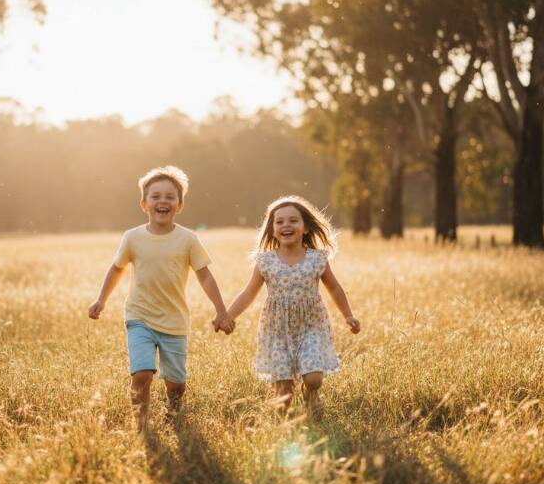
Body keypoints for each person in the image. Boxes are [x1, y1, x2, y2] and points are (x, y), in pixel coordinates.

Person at [88, 165, 234, 431]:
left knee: (175, 384)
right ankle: (141, 427)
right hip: (139, 317)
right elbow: (117, 268)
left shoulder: (188, 239)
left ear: (179, 205)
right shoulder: (132, 237)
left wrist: (221, 311)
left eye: (169, 196)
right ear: (144, 204)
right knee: (142, 374)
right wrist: (101, 300)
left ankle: (173, 410)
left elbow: (205, 276)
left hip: (175, 322)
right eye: (155, 196)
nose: (162, 201)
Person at [226, 195, 360, 419]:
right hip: (277, 331)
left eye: (293, 220)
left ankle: (311, 395)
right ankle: (283, 426)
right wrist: (227, 315)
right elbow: (248, 293)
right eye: (279, 221)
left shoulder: (317, 259)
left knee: (314, 378)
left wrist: (348, 315)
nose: (286, 225)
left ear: (305, 227)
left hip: (312, 327)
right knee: (284, 393)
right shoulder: (265, 261)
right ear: (272, 229)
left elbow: (335, 288)